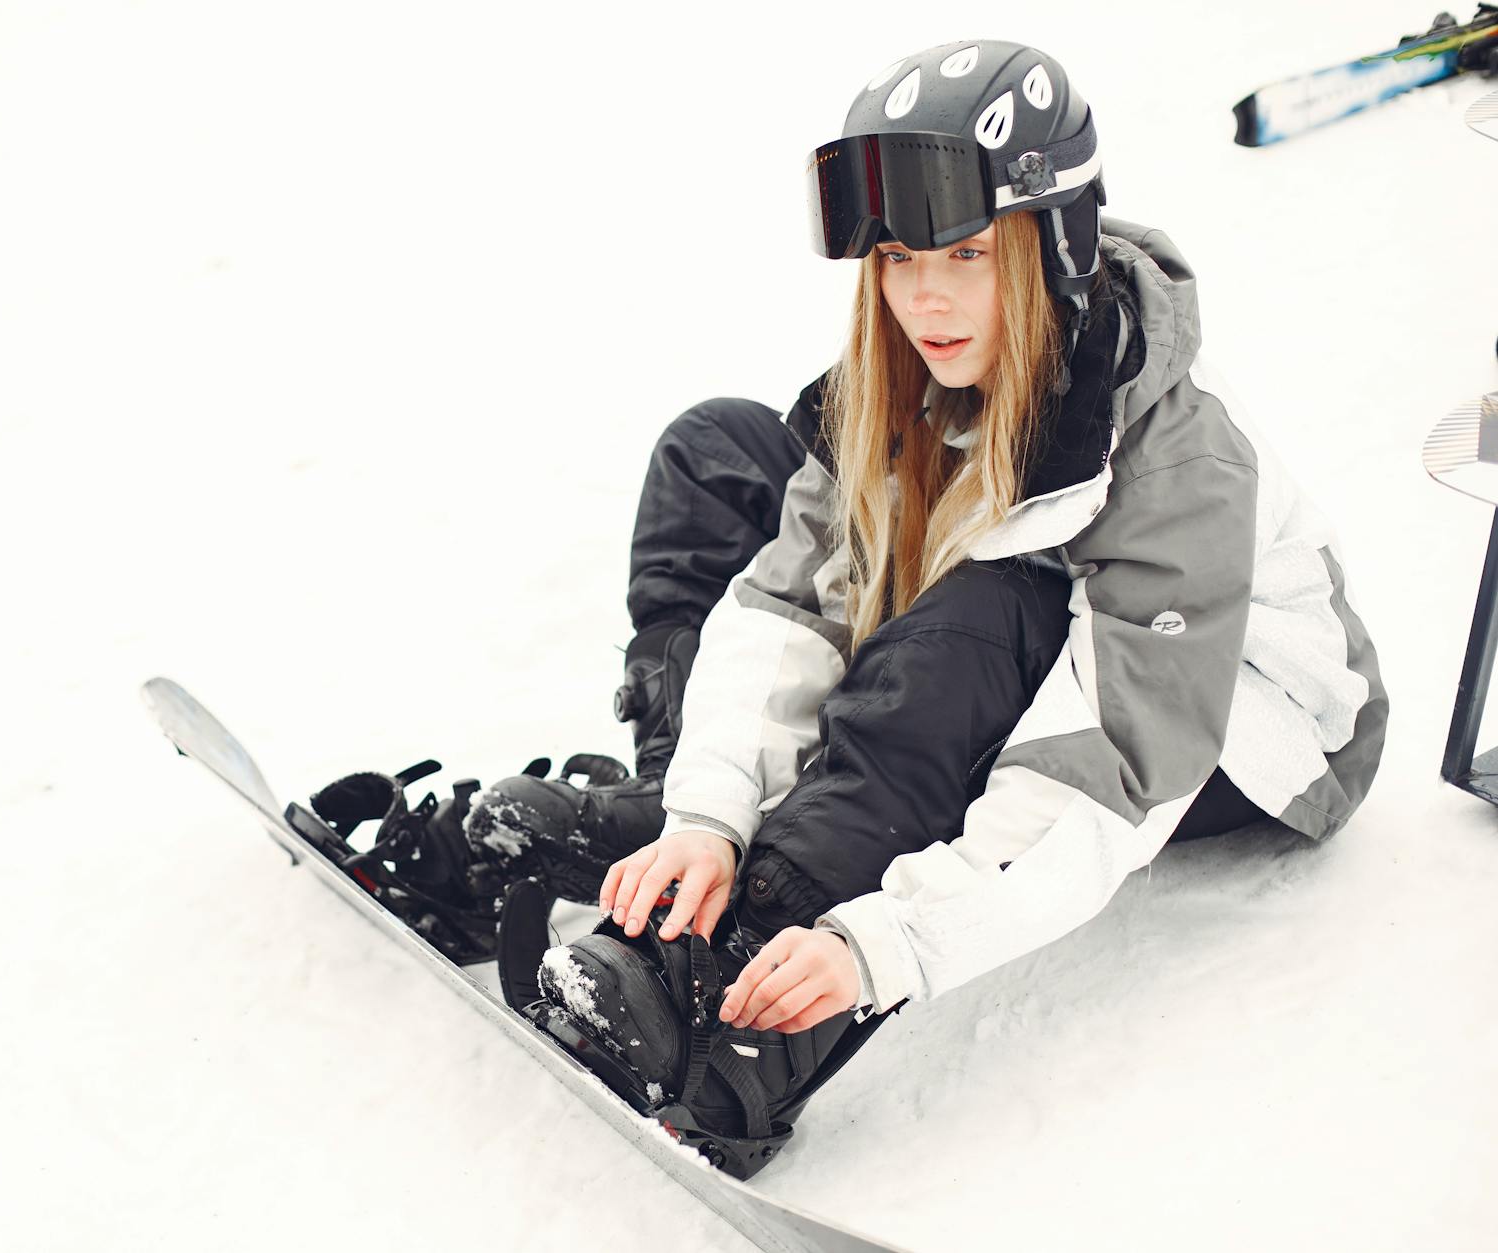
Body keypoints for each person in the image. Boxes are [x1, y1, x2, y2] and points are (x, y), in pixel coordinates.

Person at [452, 38, 1389, 1177]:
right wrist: (707, 806)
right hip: (1009, 654)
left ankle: (738, 966)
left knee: (986, 610)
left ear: (1053, 244)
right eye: (896, 257)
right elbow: (788, 601)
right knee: (719, 450)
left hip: (1234, 731)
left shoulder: (1177, 463)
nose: (924, 298)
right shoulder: (905, 376)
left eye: (966, 254)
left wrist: (875, 943)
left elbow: (1112, 766)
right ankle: (679, 841)